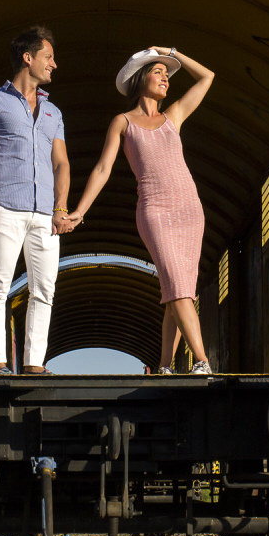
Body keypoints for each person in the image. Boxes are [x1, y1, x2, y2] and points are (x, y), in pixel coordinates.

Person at [66, 46, 215, 374]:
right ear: (139, 78)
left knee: (178, 291)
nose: (165, 78)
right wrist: (80, 211)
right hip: (155, 211)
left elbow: (207, 77)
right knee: (177, 287)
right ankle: (202, 361)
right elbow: (103, 168)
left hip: (190, 211)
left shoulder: (173, 116)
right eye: (157, 71)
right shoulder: (123, 122)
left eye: (167, 74)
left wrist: (171, 52)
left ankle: (164, 366)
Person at [0, 26, 75, 375]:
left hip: (45, 214)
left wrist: (61, 208)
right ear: (28, 58)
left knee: (44, 290)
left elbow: (61, 163)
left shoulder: (53, 112)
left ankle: (33, 364)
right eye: (49, 57)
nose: (54, 64)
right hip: (4, 208)